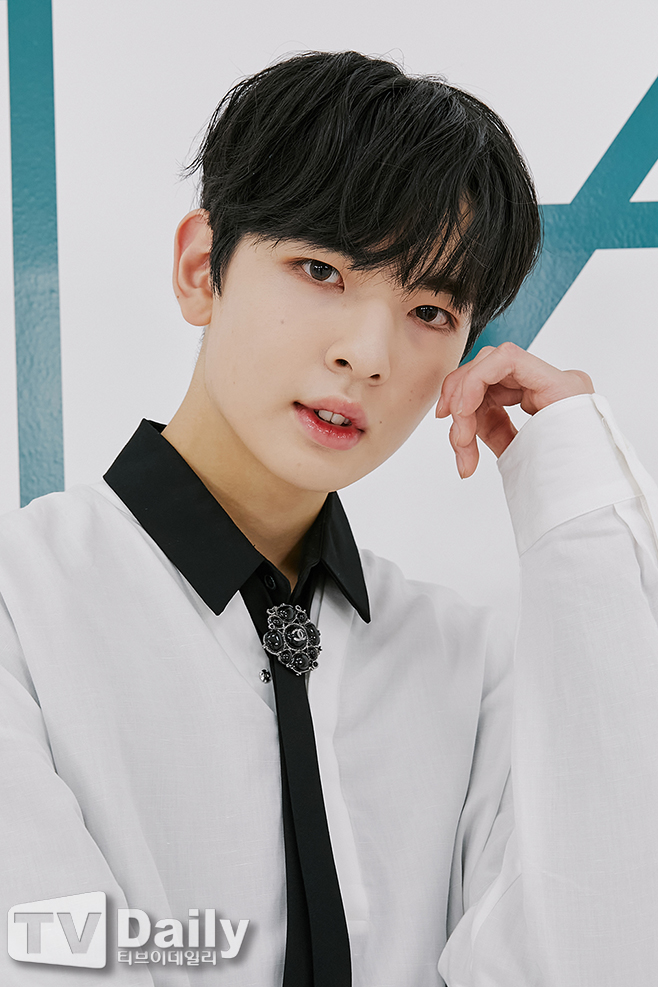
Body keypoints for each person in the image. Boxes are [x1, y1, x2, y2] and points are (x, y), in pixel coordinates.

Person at [1, 50, 657, 986]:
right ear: (202, 268)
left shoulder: (462, 663)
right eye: (321, 269)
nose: (368, 353)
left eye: (430, 310)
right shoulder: (23, 607)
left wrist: (579, 509)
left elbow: (598, 951)